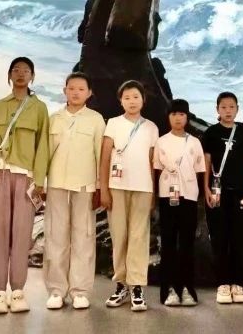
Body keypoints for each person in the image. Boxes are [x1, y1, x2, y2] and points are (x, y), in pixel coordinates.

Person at [0, 57, 50, 315]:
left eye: (26, 71)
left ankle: (18, 291)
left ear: (32, 76)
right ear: (9, 75)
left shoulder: (39, 109)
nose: (21, 74)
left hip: (26, 178)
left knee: (22, 234)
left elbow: (43, 146)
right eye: (16, 70)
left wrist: (39, 180)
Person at [39, 72, 106, 311]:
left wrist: (100, 187)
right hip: (56, 184)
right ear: (64, 90)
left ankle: (80, 291)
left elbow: (101, 155)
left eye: (81, 89)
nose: (76, 92)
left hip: (85, 185)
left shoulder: (96, 120)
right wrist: (42, 183)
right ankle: (56, 291)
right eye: (72, 88)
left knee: (83, 238)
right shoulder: (54, 119)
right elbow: (44, 153)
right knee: (55, 237)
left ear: (89, 93)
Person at [99, 80, 160, 312]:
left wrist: (153, 192)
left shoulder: (151, 127)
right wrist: (104, 189)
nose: (132, 101)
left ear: (143, 99)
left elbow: (153, 163)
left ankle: (137, 287)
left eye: (136, 97)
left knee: (139, 237)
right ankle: (121, 284)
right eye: (127, 97)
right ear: (120, 101)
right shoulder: (113, 124)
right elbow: (105, 158)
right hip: (116, 187)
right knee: (119, 236)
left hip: (143, 188)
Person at [202, 91, 243, 304]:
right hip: (217, 194)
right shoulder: (211, 133)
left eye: (231, 107)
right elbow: (206, 162)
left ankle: (237, 283)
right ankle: (223, 284)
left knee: (238, 237)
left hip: (240, 192)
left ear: (237, 109)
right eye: (223, 107)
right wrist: (206, 188)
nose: (228, 111)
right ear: (217, 109)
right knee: (219, 237)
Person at [154, 99, 207, 307]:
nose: (178, 118)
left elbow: (200, 170)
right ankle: (168, 289)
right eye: (174, 114)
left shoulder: (194, 142)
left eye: (182, 114)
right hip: (167, 196)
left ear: (187, 117)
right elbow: (156, 170)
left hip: (189, 196)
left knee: (186, 243)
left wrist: (201, 193)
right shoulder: (161, 141)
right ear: (169, 117)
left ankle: (186, 288)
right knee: (168, 243)